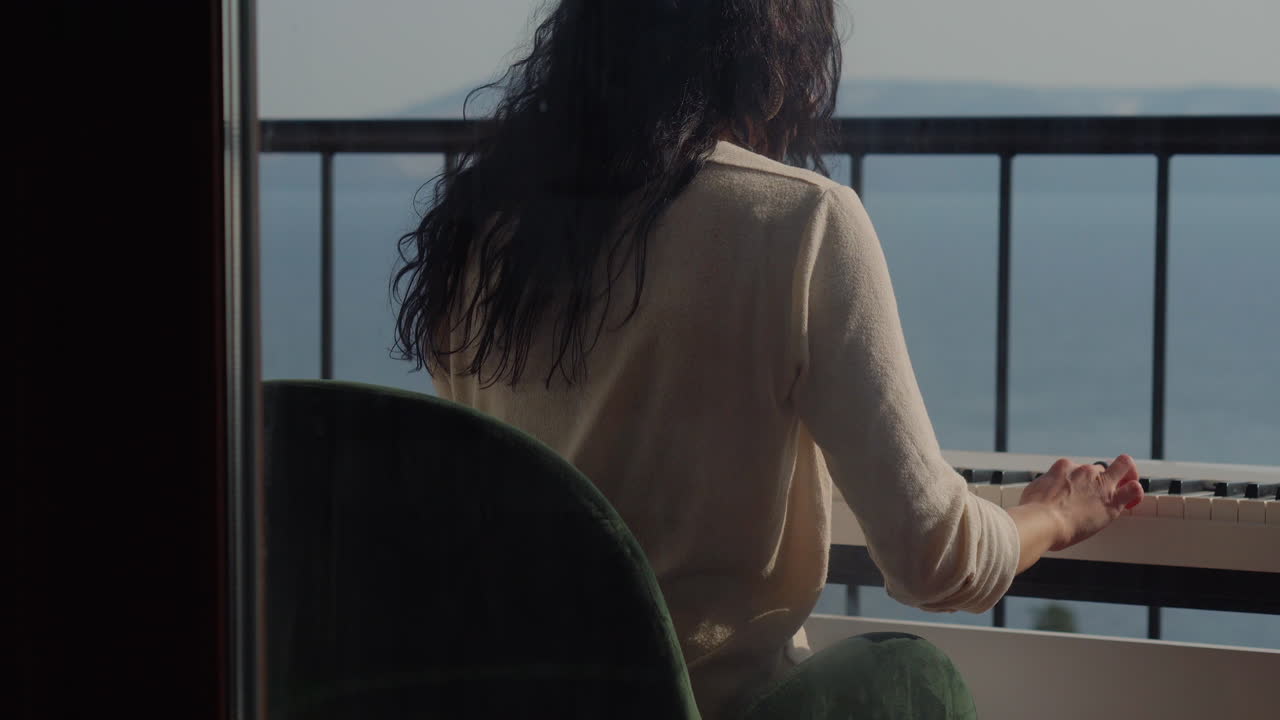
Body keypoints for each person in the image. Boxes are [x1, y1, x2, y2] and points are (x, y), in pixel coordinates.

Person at [392, 1, 1144, 718]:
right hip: (705, 707)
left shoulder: (479, 227)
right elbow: (934, 559)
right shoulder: (802, 220)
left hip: (503, 700)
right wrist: (1054, 516)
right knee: (912, 680)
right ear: (775, 56)